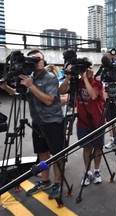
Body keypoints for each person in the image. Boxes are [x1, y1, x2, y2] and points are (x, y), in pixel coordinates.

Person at [0, 50, 65, 199]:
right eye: (36, 60)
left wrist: (32, 86)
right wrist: (6, 88)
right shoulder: (29, 77)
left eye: (41, 59)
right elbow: (21, 94)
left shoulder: (50, 78)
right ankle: (45, 179)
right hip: (37, 122)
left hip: (53, 121)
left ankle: (58, 182)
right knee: (42, 153)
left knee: (57, 154)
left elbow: (49, 100)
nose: (39, 61)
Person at [59, 60, 105, 186]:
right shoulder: (76, 82)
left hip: (98, 121)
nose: (88, 70)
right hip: (83, 122)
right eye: (86, 68)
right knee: (86, 147)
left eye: (90, 67)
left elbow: (93, 96)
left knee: (98, 147)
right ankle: (87, 171)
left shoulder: (98, 83)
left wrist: (84, 78)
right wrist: (68, 76)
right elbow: (62, 91)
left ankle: (96, 170)